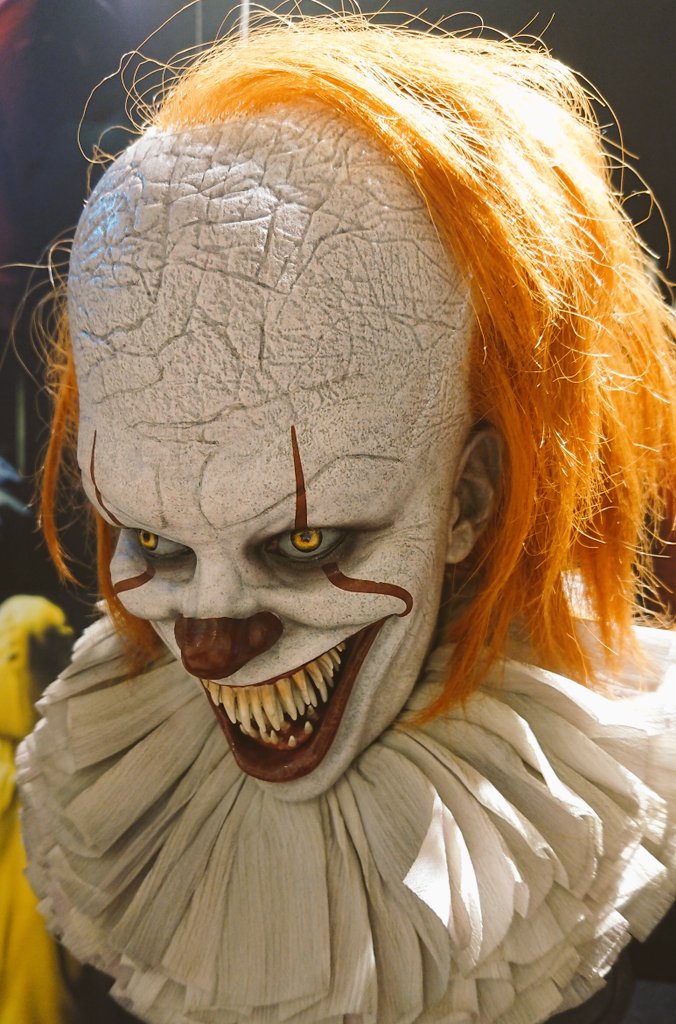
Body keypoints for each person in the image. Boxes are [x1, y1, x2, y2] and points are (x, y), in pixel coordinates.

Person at [18, 15, 676, 1024]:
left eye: (304, 539)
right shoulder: (113, 788)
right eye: (155, 539)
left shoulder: (584, 807)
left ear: (470, 498)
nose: (207, 643)